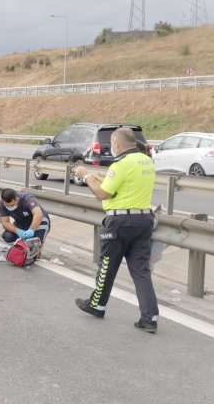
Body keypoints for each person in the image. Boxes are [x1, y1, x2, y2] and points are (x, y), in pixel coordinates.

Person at [74, 127, 159, 333]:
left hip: (120, 222)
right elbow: (122, 188)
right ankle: (150, 318)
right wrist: (96, 178)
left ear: (117, 144)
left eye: (112, 144)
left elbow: (104, 194)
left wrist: (86, 177)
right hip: (144, 220)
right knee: (141, 271)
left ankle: (96, 305)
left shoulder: (120, 163)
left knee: (107, 266)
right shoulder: (146, 161)